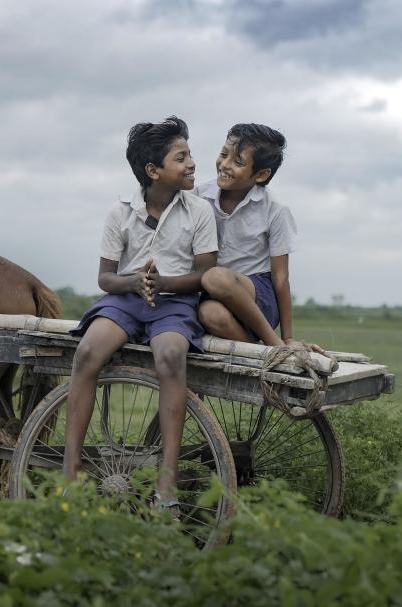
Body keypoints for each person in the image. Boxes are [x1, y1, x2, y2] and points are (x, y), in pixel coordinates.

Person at [63, 117, 217, 513]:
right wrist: (133, 283)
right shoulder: (121, 212)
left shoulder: (198, 210)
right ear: (153, 171)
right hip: (126, 299)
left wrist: (163, 283)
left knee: (170, 356)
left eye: (189, 155)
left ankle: (166, 482)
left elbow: (205, 274)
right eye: (181, 158)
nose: (191, 164)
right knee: (86, 354)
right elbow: (104, 278)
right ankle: (71, 470)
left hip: (176, 301)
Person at [195, 124, 322, 353]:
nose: (224, 165)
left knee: (215, 277)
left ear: (262, 175)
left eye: (238, 162)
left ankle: (277, 345)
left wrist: (289, 336)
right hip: (213, 295)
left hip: (258, 297)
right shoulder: (198, 196)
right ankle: (260, 350)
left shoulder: (274, 209)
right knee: (208, 313)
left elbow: (281, 278)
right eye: (224, 154)